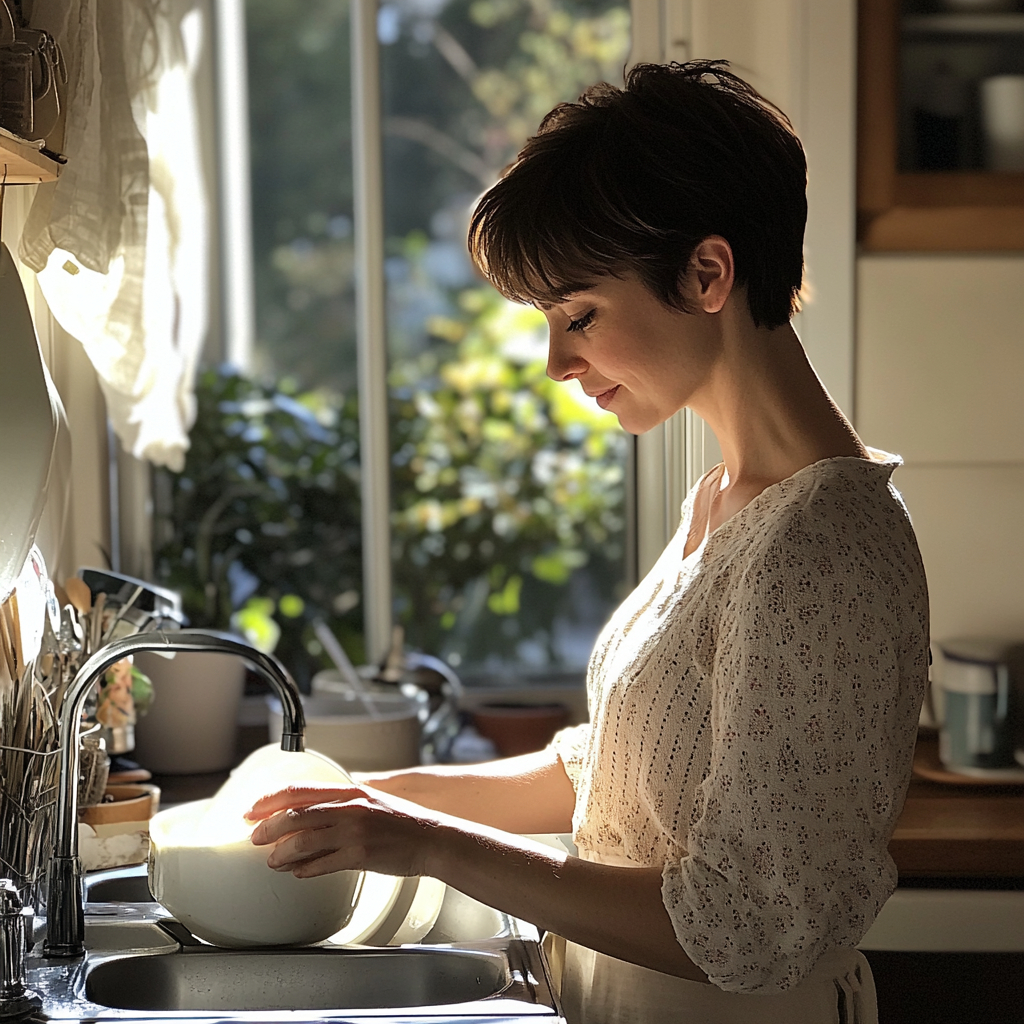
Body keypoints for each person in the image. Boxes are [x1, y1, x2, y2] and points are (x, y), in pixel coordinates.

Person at [245, 61, 929, 1024]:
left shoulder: (821, 549)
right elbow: (611, 773)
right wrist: (363, 800)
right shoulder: (725, 504)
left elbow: (742, 922)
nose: (560, 362)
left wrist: (426, 843)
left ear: (706, 273)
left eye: (581, 316)